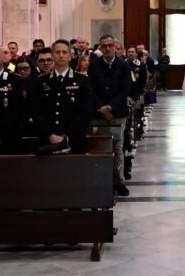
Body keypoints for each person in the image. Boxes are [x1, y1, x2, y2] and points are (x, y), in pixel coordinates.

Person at [88, 34, 132, 196]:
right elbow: (91, 89)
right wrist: (101, 107)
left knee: (117, 147)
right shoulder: (94, 65)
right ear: (100, 48)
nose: (107, 48)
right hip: (98, 113)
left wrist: (111, 107)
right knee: (99, 147)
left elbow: (125, 90)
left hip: (117, 113)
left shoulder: (124, 65)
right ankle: (99, 180)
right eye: (104, 46)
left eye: (110, 45)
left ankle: (118, 181)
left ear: (115, 47)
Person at [32, 40, 93, 154]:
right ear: (52, 56)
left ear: (70, 56)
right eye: (57, 52)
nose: (61, 55)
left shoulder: (82, 80)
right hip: (48, 141)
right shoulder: (41, 81)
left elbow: (86, 111)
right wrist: (50, 135)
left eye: (64, 52)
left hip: (74, 141)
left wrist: (67, 136)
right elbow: (36, 112)